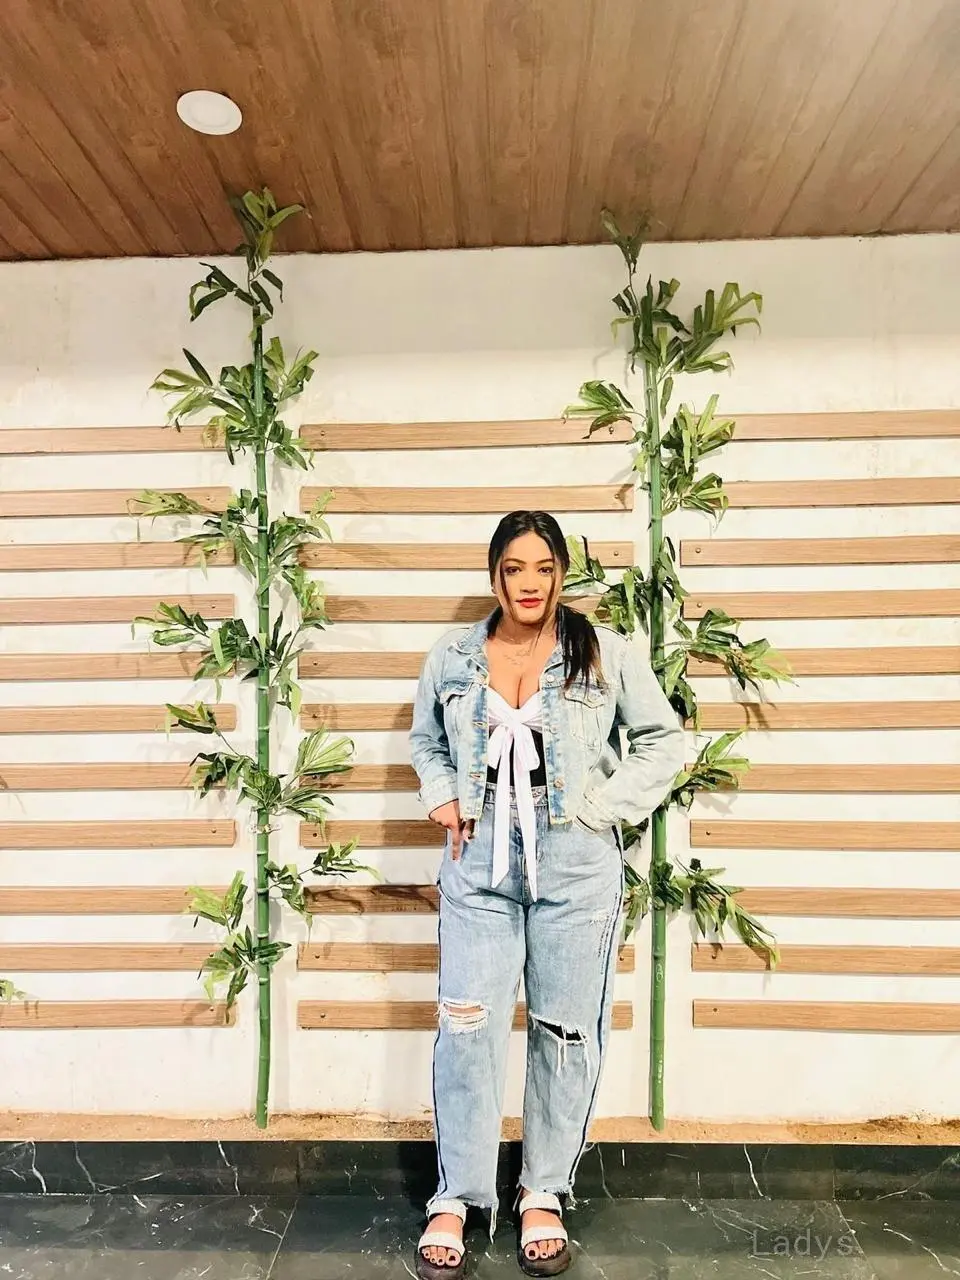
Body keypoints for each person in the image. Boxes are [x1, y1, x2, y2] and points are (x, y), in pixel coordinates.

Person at [409, 510, 684, 1278]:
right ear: (495, 575)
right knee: (467, 1028)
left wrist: (600, 809)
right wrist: (442, 792)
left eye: (543, 567)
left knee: (564, 1032)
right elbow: (426, 740)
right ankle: (456, 1196)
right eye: (513, 568)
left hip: (575, 865)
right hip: (478, 864)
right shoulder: (454, 655)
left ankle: (543, 1192)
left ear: (561, 573)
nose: (529, 583)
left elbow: (663, 740)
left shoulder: (604, 653)